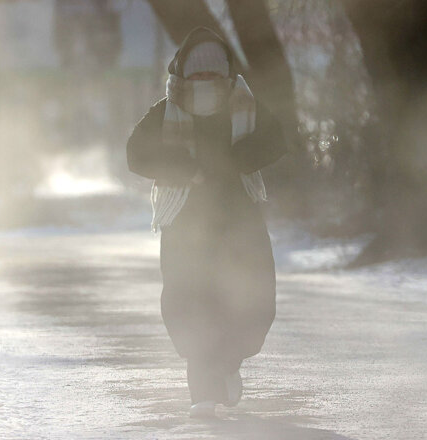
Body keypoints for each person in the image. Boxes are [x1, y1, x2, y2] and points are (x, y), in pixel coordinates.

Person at [125, 27, 287, 418]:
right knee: (190, 302)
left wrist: (236, 161)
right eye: (196, 74)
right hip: (187, 226)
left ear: (226, 75)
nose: (204, 82)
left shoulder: (243, 103)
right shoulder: (166, 110)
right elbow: (136, 155)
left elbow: (277, 139)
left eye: (213, 74)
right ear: (181, 74)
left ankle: (228, 363)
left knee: (253, 301)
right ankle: (203, 388)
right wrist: (185, 169)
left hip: (239, 222)